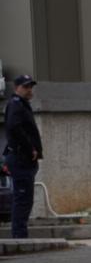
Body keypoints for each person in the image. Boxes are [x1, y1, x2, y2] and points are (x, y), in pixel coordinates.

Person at [3, 75, 43, 240]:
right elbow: (14, 127)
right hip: (21, 159)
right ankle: (19, 237)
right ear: (17, 88)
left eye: (30, 87)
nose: (29, 90)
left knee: (25, 199)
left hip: (23, 159)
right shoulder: (16, 105)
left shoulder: (22, 105)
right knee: (22, 200)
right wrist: (30, 148)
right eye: (26, 87)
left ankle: (21, 235)